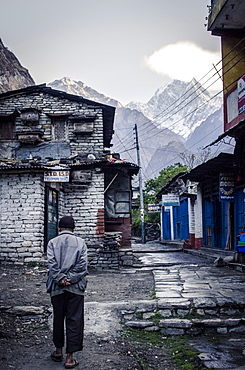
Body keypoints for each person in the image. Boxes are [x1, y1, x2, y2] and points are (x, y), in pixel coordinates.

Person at [46, 215, 88, 369]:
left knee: (58, 319)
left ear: (59, 228)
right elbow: (83, 265)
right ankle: (70, 358)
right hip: (75, 288)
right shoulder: (80, 242)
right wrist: (70, 279)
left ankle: (58, 351)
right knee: (74, 320)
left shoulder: (52, 242)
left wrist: (60, 279)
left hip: (57, 288)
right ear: (73, 229)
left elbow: (52, 264)